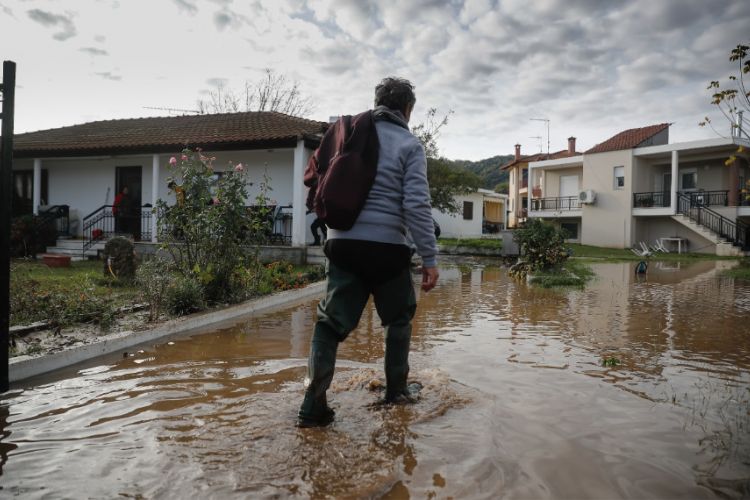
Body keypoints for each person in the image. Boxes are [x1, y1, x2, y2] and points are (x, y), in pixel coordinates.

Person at [297, 77, 439, 428]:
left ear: (376, 102)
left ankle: (312, 407)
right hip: (388, 249)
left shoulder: (345, 132)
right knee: (397, 320)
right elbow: (416, 205)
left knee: (329, 326)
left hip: (343, 243)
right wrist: (430, 258)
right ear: (407, 110)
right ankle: (396, 393)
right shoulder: (410, 144)